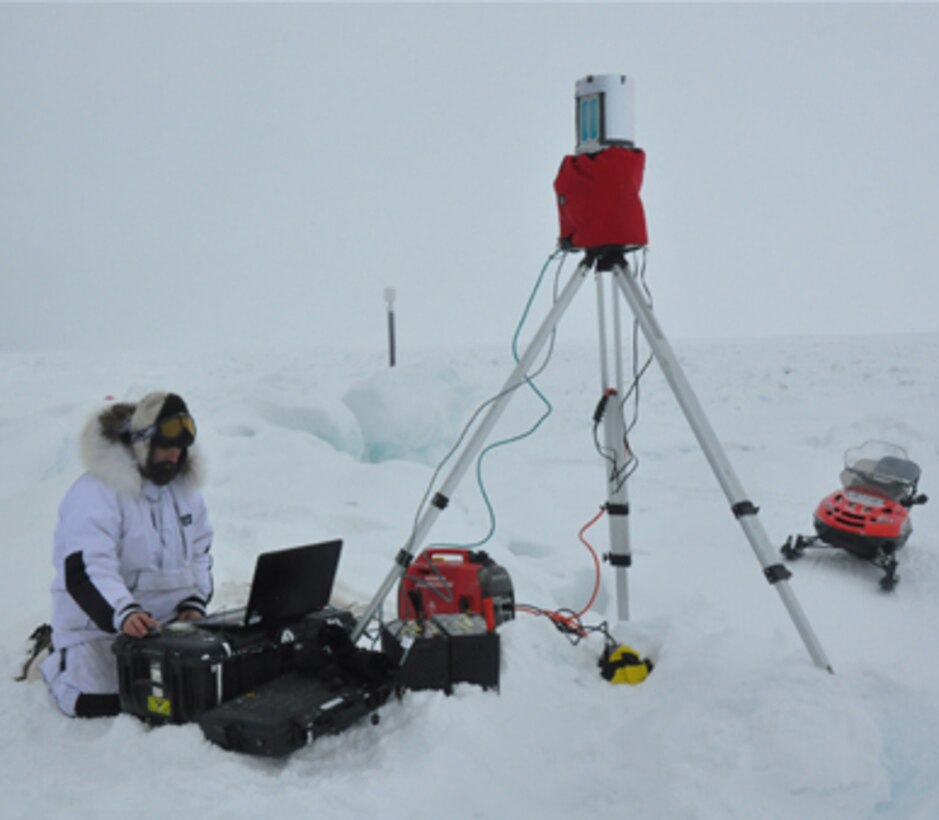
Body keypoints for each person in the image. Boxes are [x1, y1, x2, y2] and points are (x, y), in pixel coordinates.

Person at [41, 391, 213, 718]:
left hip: (168, 631)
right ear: (142, 442)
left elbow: (201, 552)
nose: (174, 458)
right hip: (102, 628)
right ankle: (55, 657)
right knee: (99, 701)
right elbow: (87, 568)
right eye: (166, 447)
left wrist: (194, 603)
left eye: (180, 450)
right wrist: (125, 613)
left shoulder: (187, 493)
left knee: (194, 693)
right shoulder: (96, 493)